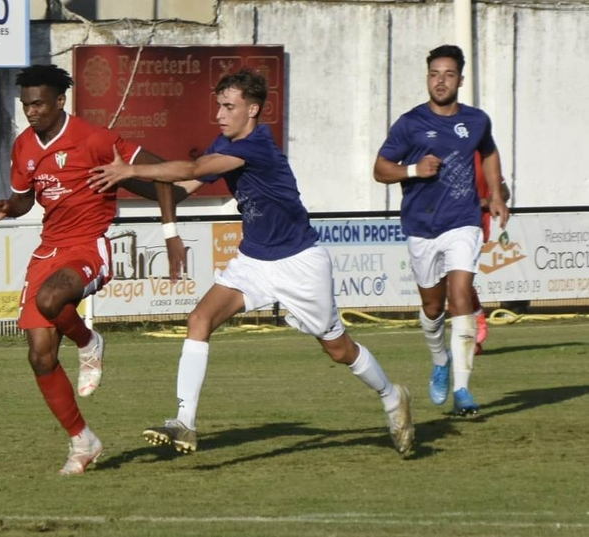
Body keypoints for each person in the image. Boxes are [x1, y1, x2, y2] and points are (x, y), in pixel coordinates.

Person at [90, 68, 415, 456]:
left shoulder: (255, 146)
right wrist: (128, 182)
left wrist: (131, 169)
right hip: (254, 259)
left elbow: (192, 169)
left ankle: (392, 396)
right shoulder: (226, 143)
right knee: (199, 320)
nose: (220, 115)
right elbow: (178, 189)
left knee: (339, 350)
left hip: (300, 263)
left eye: (229, 107)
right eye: (219, 106)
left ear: (253, 109)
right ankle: (184, 423)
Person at [0, 64, 181, 475]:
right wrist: (2, 207)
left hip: (89, 245)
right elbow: (23, 202)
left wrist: (171, 232)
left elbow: (163, 175)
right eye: (25, 105)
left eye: (38, 104)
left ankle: (88, 343)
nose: (30, 112)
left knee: (50, 299)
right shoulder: (23, 147)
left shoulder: (95, 139)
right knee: (39, 356)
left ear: (59, 101)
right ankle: (82, 441)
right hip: (48, 249)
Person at [373, 45, 510, 416]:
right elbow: (381, 169)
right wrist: (415, 170)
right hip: (421, 226)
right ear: (427, 78)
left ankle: (463, 390)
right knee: (432, 307)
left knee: (461, 292)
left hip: (462, 222)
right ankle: (440, 361)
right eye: (435, 74)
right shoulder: (409, 124)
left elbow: (490, 151)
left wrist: (496, 194)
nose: (441, 81)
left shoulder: (477, 121)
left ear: (460, 80)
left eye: (449, 74)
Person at [470, 151, 511, 355]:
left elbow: (504, 192)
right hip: (443, 225)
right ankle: (476, 317)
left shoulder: (482, 153)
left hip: (474, 226)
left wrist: (486, 202)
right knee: (447, 285)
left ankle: (475, 328)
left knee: (458, 281)